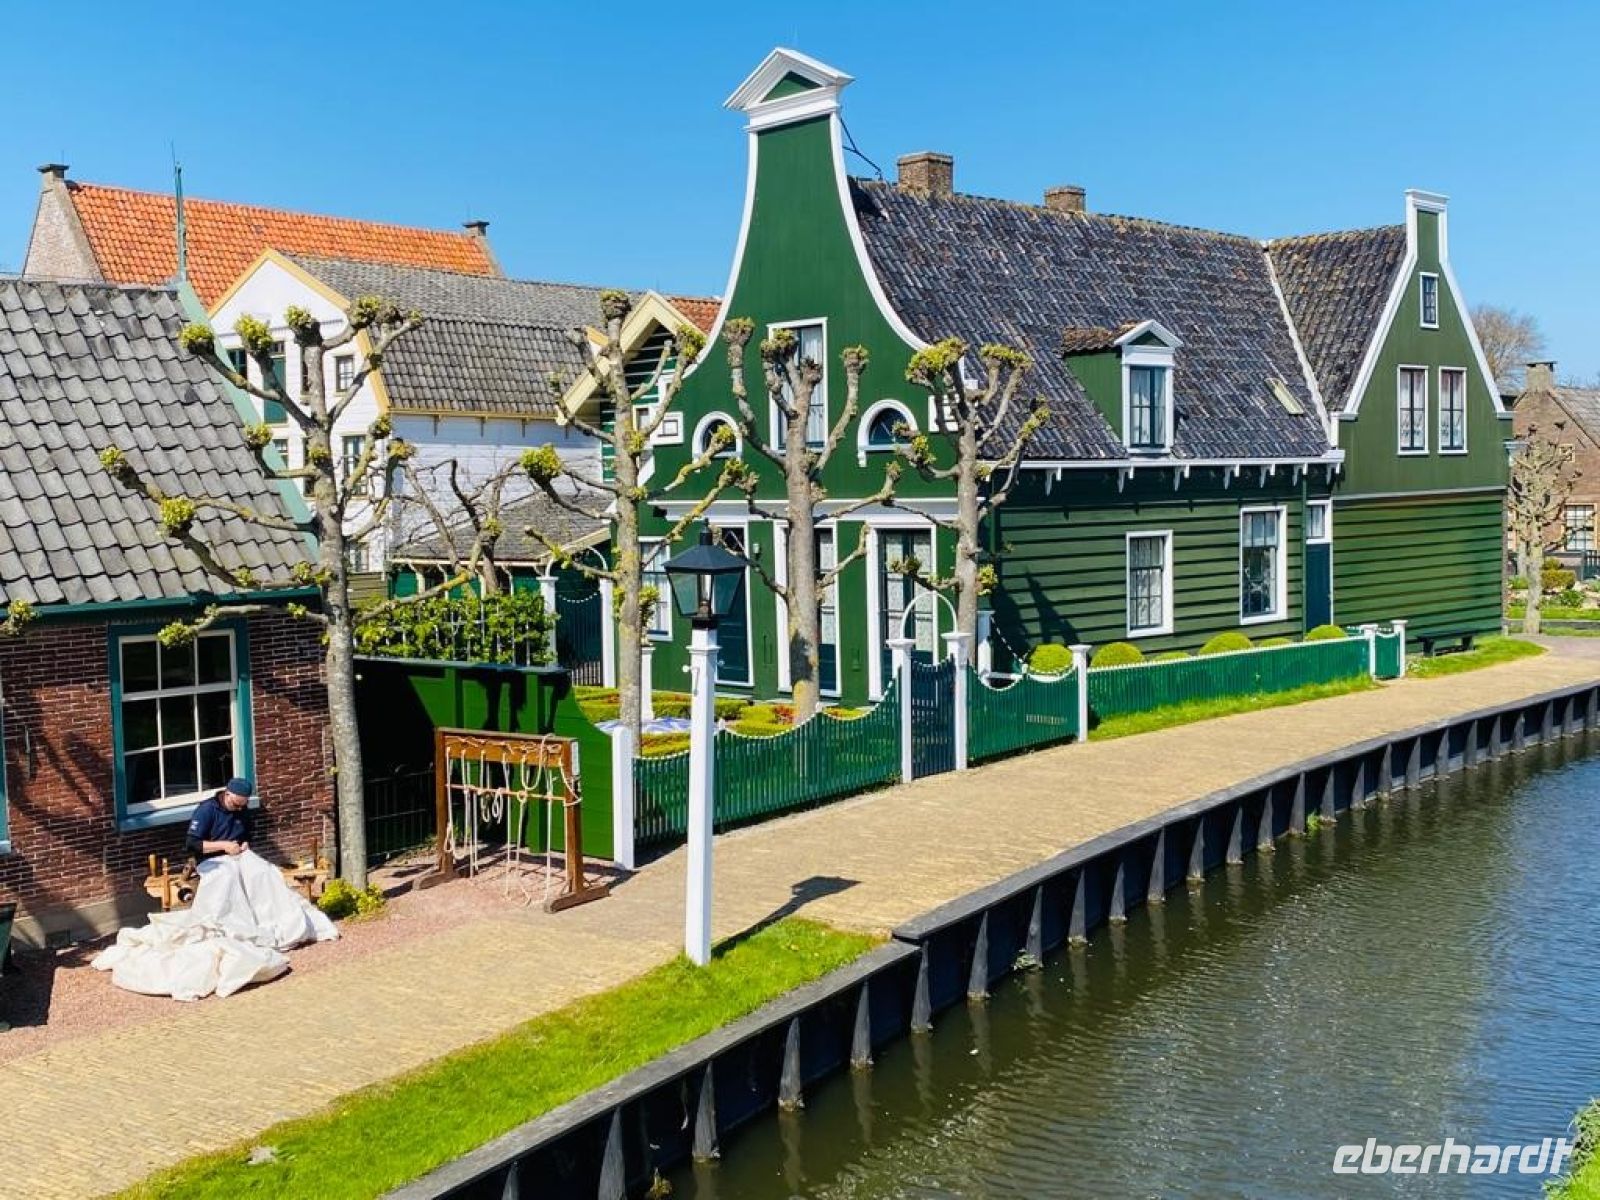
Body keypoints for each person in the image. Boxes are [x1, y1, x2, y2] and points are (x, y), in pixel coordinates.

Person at [186, 777, 253, 860]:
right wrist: (224, 846)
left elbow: (248, 832)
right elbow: (192, 844)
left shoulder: (243, 809)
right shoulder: (207, 810)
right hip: (211, 860)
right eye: (236, 805)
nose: (239, 809)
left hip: (238, 856)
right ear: (227, 794)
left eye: (243, 805)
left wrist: (246, 842)